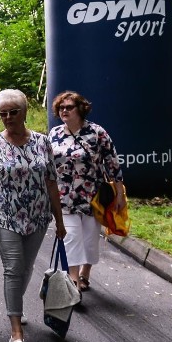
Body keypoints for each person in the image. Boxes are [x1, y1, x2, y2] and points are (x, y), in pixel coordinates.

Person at [0, 89, 66, 342]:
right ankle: (16, 329)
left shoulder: (42, 142)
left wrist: (59, 221)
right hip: (6, 217)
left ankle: (16, 303)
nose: (7, 118)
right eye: (2, 113)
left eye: (13, 112)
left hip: (38, 216)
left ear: (25, 111)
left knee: (26, 268)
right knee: (14, 267)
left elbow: (51, 181)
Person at [49, 91, 125, 292]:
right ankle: (73, 280)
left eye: (69, 107)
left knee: (90, 239)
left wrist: (119, 193)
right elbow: (48, 165)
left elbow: (112, 162)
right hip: (64, 196)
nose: (64, 111)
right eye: (61, 108)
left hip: (92, 196)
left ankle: (85, 273)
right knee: (71, 236)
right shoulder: (54, 134)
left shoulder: (96, 132)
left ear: (80, 109)